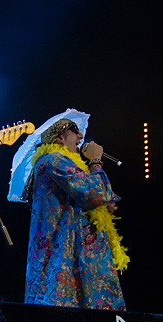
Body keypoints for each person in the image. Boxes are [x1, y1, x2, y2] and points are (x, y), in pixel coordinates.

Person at [24, 118, 129, 310]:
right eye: (75, 130)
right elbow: (95, 193)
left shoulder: (61, 163)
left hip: (73, 252)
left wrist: (102, 207)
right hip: (61, 254)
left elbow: (89, 197)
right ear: (59, 138)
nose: (81, 136)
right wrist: (96, 161)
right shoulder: (52, 159)